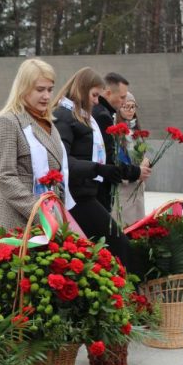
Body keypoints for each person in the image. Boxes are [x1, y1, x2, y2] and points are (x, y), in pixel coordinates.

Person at [51, 67, 134, 268]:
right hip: (77, 196)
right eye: (94, 95)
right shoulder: (64, 116)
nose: (97, 101)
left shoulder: (79, 115)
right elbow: (62, 160)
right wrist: (98, 169)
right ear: (82, 89)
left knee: (109, 248)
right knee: (119, 245)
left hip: (87, 191)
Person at [0, 58, 73, 233]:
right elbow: (4, 176)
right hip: (18, 220)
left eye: (50, 89)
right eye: (40, 89)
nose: (47, 96)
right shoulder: (8, 122)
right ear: (23, 89)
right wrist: (39, 212)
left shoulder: (48, 123)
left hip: (50, 217)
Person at [91, 73, 150, 212]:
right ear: (108, 93)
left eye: (132, 106)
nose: (124, 103)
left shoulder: (105, 113)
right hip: (108, 187)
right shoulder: (102, 116)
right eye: (122, 98)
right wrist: (136, 172)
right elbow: (110, 158)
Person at [112, 91, 148, 226]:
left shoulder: (136, 130)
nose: (130, 110)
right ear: (119, 107)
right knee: (123, 222)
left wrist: (146, 162)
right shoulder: (115, 130)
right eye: (126, 106)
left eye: (133, 107)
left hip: (137, 184)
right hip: (124, 184)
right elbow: (116, 156)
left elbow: (143, 152)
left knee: (138, 223)